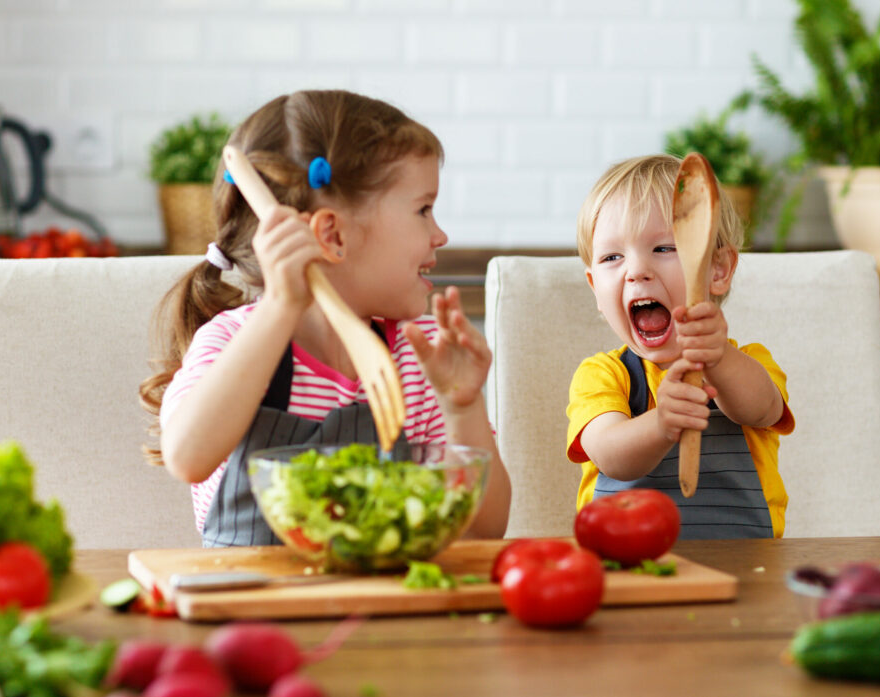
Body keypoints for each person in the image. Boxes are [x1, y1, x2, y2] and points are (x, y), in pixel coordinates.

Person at [140, 90, 511, 547]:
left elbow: (485, 529)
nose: (440, 234)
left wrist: (462, 406)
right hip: (253, 602)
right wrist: (279, 307)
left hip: (381, 605)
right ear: (333, 235)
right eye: (423, 210)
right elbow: (187, 458)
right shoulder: (234, 340)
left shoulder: (422, 353)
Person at [566, 154, 794, 539]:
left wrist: (717, 357)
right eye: (612, 257)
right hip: (627, 565)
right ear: (595, 290)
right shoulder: (603, 375)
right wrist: (661, 423)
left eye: (664, 248)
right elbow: (609, 454)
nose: (636, 270)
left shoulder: (749, 362)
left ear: (718, 270)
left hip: (746, 566)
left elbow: (761, 409)